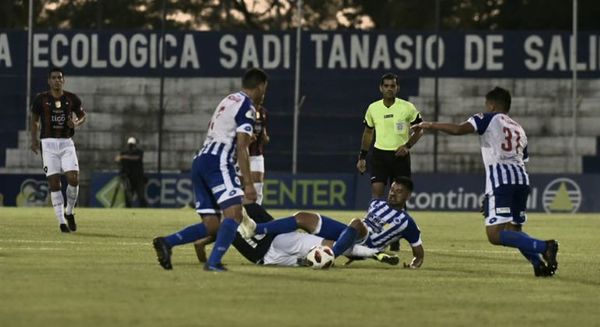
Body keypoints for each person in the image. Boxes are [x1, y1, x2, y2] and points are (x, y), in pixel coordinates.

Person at [414, 86, 559, 277]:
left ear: (491, 105)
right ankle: (538, 264)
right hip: (522, 180)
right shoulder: (519, 128)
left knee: (495, 234)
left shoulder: (488, 118)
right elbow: (521, 159)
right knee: (513, 229)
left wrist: (430, 125)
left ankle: (544, 246)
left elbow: (459, 129)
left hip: (501, 180)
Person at [152, 68, 267, 272]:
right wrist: (249, 184)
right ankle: (213, 263)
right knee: (234, 214)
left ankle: (167, 242)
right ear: (259, 87)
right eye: (264, 89)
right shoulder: (247, 107)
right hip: (218, 161)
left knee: (212, 224)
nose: (264, 94)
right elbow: (242, 147)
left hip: (201, 159)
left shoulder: (228, 100)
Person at [238, 177, 425, 269]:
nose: (392, 193)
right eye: (392, 189)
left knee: (357, 222)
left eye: (398, 191)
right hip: (353, 235)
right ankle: (256, 229)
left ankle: (329, 256)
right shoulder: (377, 203)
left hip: (364, 237)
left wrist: (414, 264)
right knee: (303, 217)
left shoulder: (408, 223)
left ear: (408, 196)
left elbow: (419, 254)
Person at [193, 202, 402, 267]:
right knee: (326, 249)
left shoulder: (241, 214)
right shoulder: (234, 217)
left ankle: (374, 254)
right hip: (274, 247)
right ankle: (373, 253)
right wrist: (201, 245)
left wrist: (202, 245)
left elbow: (272, 225)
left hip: (269, 252)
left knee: (321, 252)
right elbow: (274, 223)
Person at [356, 73, 424, 252]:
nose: (389, 89)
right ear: (381, 88)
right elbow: (368, 133)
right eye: (386, 86)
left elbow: (420, 130)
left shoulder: (407, 107)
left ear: (397, 88)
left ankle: (397, 237)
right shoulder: (373, 108)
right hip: (379, 155)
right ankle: (371, 233)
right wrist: (362, 156)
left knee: (401, 197)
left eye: (392, 86)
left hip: (399, 156)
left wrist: (407, 145)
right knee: (377, 196)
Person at [30, 67, 86, 233]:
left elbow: (83, 115)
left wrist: (76, 123)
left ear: (63, 80)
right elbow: (34, 120)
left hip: (66, 143)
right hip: (48, 144)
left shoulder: (71, 98)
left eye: (59, 77)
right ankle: (62, 222)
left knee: (73, 178)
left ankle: (69, 211)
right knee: (54, 182)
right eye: (53, 78)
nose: (57, 80)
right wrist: (33, 140)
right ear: (49, 81)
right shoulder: (41, 99)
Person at [114, 136, 147, 207]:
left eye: (132, 145)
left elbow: (136, 158)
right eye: (130, 145)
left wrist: (123, 157)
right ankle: (128, 209)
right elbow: (117, 159)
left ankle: (144, 209)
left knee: (141, 196)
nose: (131, 147)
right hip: (128, 177)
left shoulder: (139, 152)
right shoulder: (124, 152)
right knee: (128, 196)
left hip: (138, 177)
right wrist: (119, 159)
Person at [249, 102, 269, 205]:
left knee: (258, 183)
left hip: (257, 154)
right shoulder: (243, 110)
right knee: (239, 183)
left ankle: (256, 210)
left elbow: (263, 131)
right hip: (241, 153)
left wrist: (265, 137)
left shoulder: (263, 112)